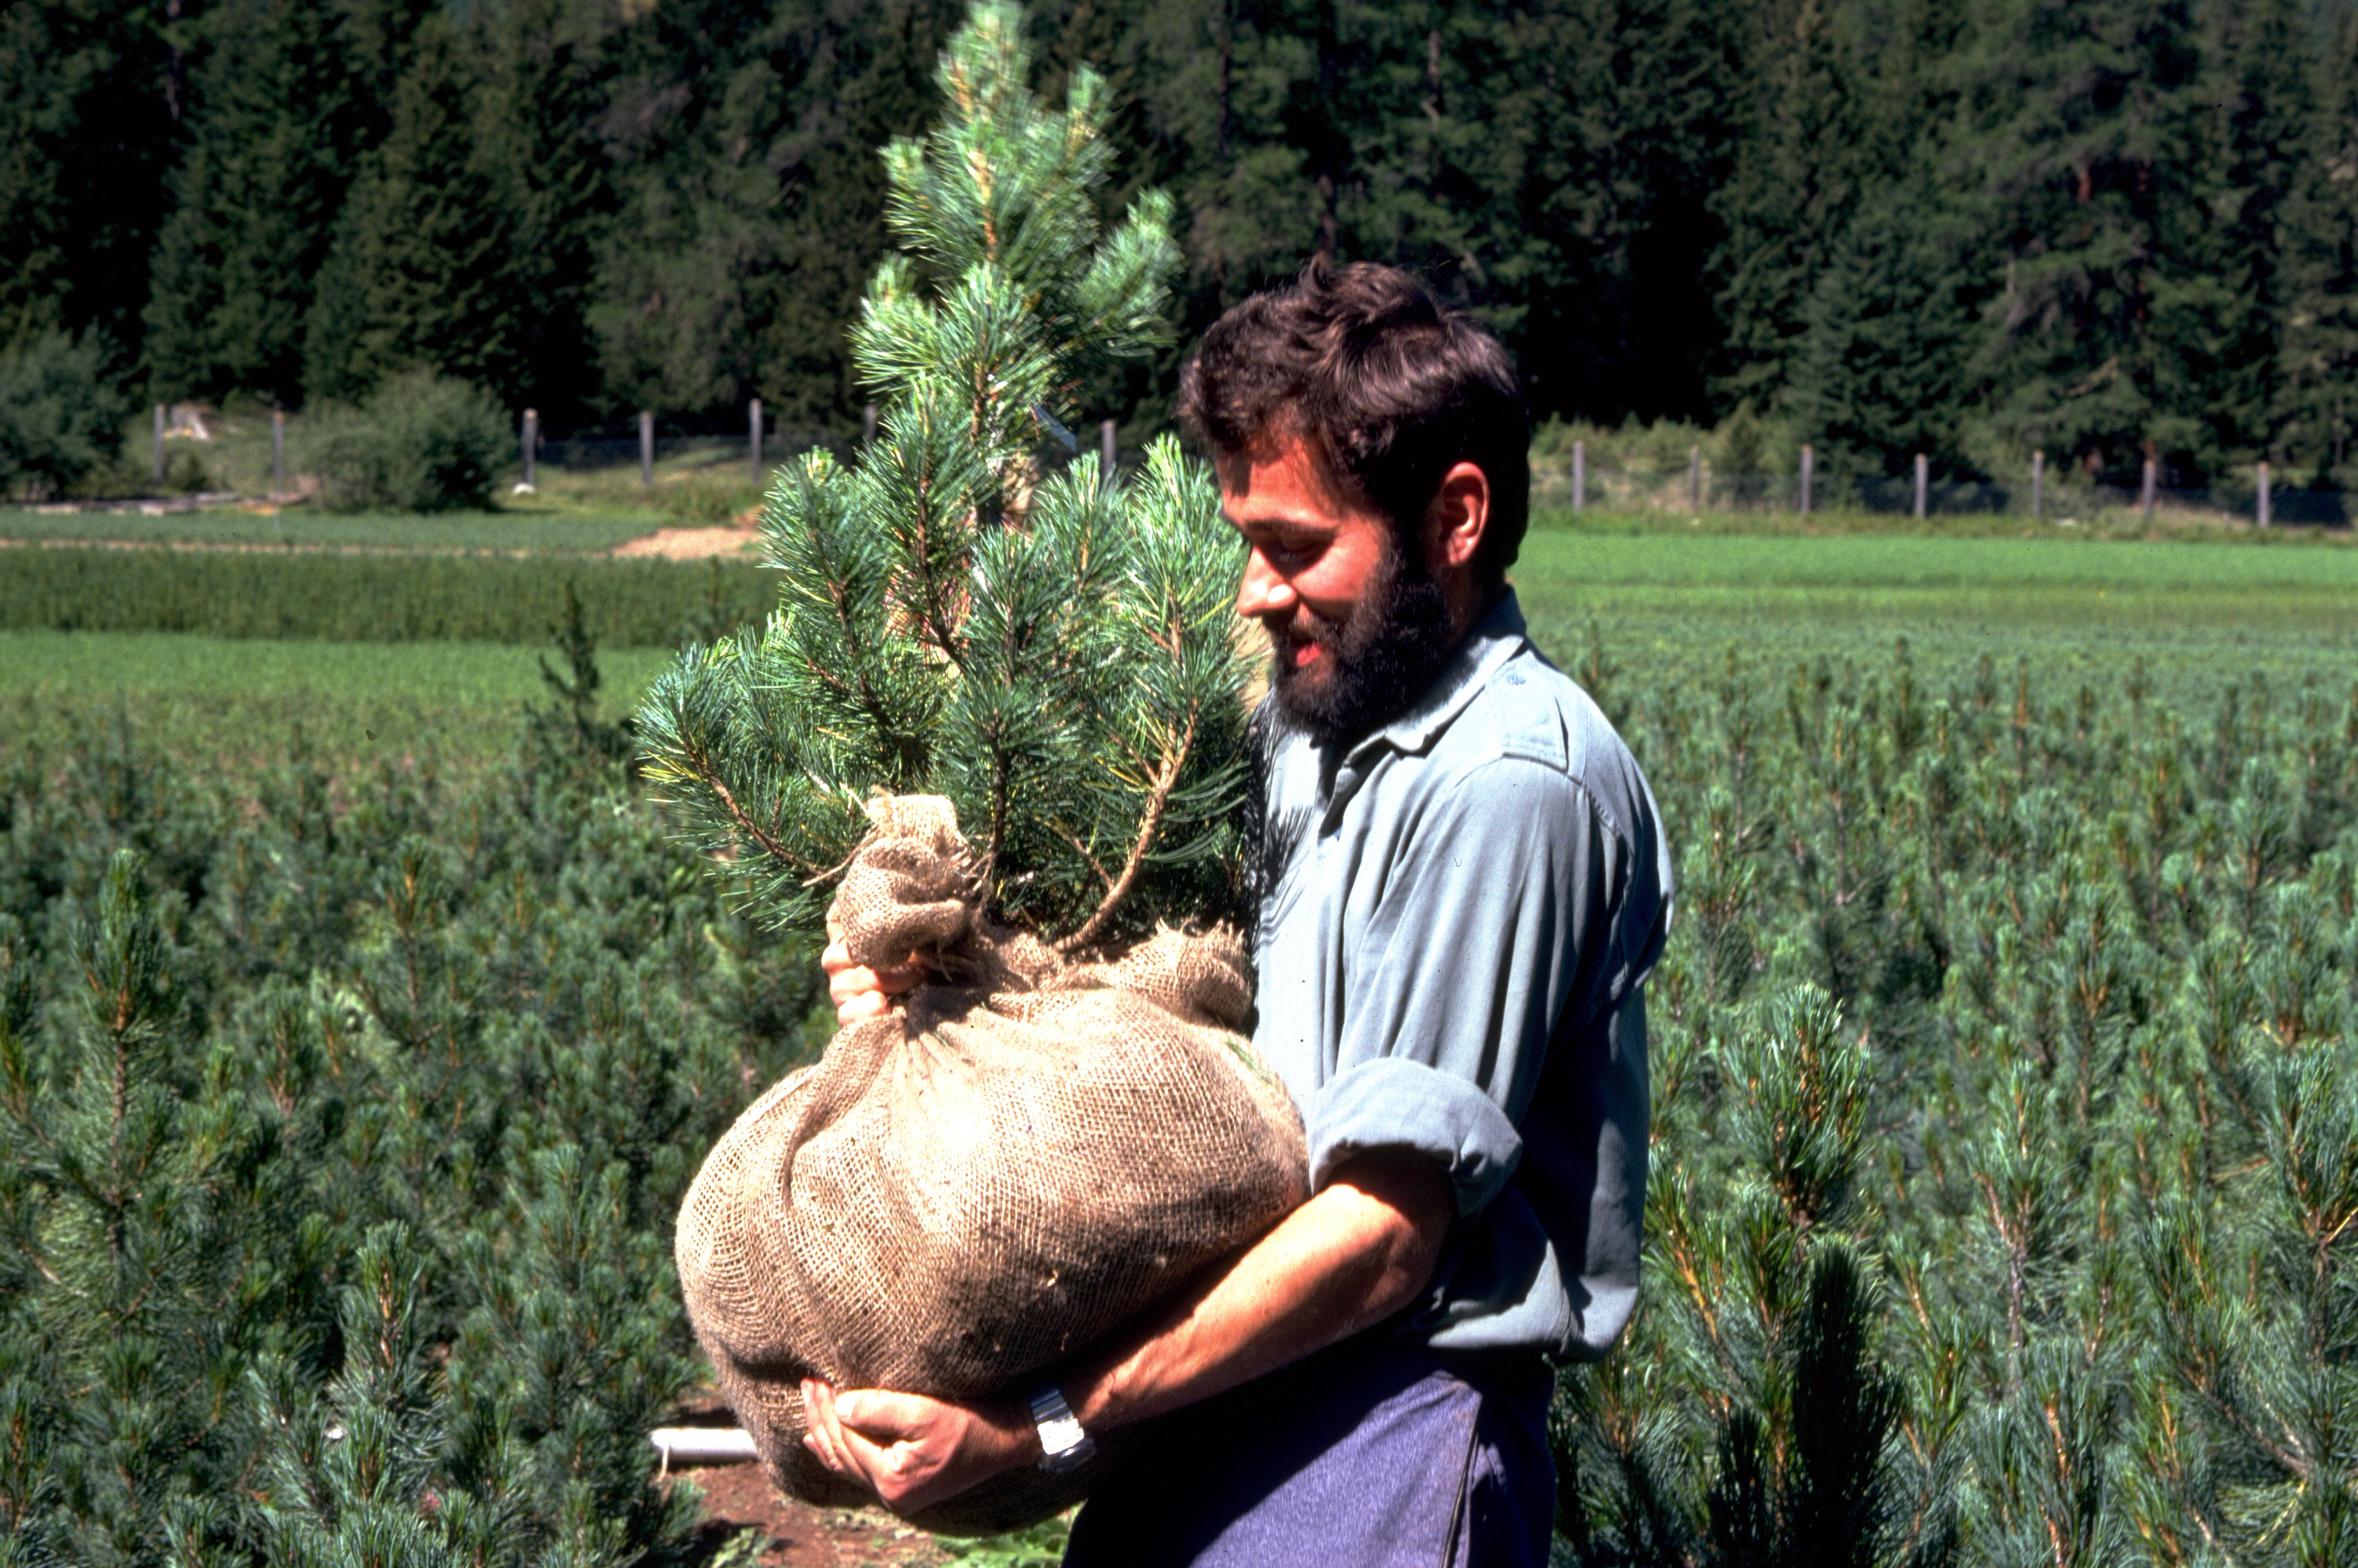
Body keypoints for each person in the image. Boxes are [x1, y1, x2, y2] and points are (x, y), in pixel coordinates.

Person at [802, 260, 1672, 1566]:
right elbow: (1167, 1029)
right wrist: (939, 1005)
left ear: (1457, 516)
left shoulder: (1507, 788)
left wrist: (1050, 1423)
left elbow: (1383, 1236)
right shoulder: (1309, 732)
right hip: (1224, 1404)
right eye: (1245, 544)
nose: (1256, 593)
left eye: (1298, 548)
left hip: (1388, 1432)